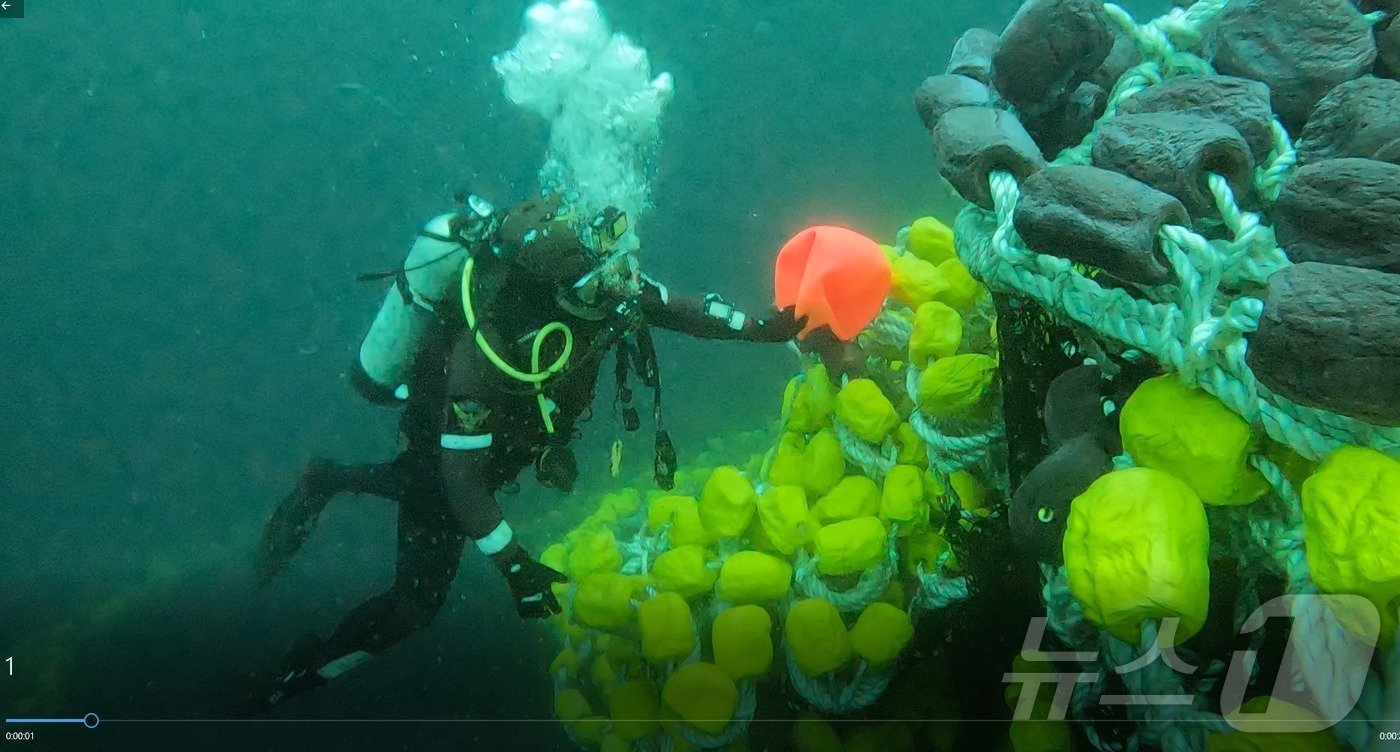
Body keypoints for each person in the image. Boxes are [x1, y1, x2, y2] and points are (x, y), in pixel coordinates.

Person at [242, 191, 803, 713]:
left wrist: (760, 329)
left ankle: (328, 480)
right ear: (563, 288)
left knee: (415, 482)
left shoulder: (607, 288)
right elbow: (462, 480)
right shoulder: (487, 351)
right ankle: (297, 676)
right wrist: (515, 566)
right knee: (415, 601)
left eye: (620, 267)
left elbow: (676, 307)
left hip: (502, 446)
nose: (624, 286)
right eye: (604, 280)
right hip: (450, 451)